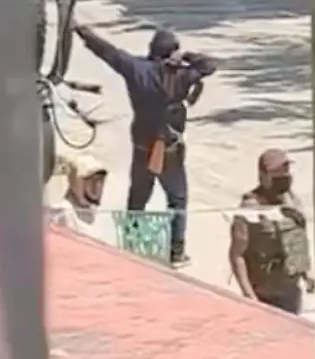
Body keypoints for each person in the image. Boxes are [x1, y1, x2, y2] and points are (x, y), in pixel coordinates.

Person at [74, 24, 217, 268]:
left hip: (142, 147)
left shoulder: (136, 69)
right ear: (173, 52)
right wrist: (186, 58)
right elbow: (209, 65)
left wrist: (82, 32)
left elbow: (108, 52)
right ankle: (176, 251)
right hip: (170, 149)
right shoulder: (182, 74)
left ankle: (131, 245)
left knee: (138, 198)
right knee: (178, 199)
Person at [228, 148, 314, 315]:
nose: (283, 176)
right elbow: (237, 255)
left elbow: (297, 239)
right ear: (263, 175)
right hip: (264, 293)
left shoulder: (291, 201)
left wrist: (305, 272)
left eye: (285, 170)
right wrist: (249, 296)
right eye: (276, 172)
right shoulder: (249, 209)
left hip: (291, 290)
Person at [45, 154, 114, 245]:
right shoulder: (62, 214)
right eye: (91, 180)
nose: (97, 186)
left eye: (100, 181)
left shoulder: (102, 215)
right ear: (76, 182)